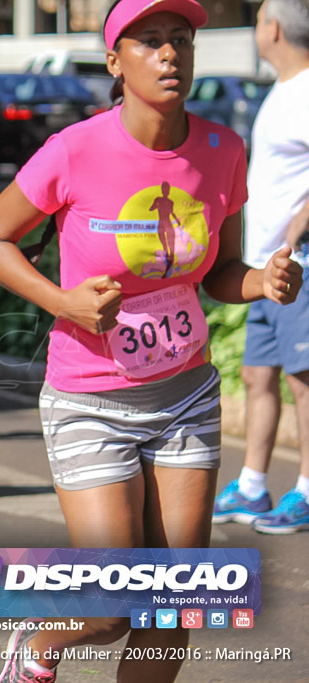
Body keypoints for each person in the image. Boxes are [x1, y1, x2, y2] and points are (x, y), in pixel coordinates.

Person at [0, 1, 303, 681]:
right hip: (90, 398)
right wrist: (63, 300)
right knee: (113, 603)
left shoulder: (220, 150)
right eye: (150, 42)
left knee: (174, 603)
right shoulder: (75, 148)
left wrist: (262, 282)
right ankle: (38, 644)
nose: (170, 54)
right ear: (116, 62)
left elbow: (220, 274)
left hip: (184, 396)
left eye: (180, 40)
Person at [212, 0, 309, 535]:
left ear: (272, 27)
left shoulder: (307, 90)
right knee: (256, 375)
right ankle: (252, 486)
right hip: (264, 267)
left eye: (256, 19)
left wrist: (298, 228)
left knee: (304, 380)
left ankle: (307, 492)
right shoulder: (284, 88)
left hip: (298, 264)